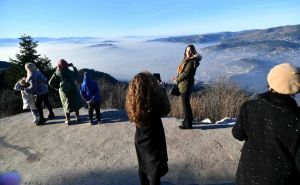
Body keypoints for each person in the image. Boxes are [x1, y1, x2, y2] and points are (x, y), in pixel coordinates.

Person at [232, 63, 300, 185]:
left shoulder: (249, 106)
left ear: (270, 81)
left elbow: (238, 134)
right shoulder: (297, 119)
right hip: (281, 179)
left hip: (246, 175)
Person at [126, 72, 170, 185]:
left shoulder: (135, 104)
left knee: (142, 164)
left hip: (140, 138)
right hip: (154, 139)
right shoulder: (153, 104)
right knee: (155, 169)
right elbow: (166, 109)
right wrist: (162, 89)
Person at [174, 44, 202, 129]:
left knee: (185, 105)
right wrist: (178, 77)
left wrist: (177, 79)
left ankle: (187, 124)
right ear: (185, 51)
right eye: (187, 50)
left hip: (185, 85)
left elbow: (186, 73)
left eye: (190, 51)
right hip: (185, 84)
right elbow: (183, 71)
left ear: (193, 51)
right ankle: (189, 120)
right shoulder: (187, 59)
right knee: (187, 104)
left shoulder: (191, 61)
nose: (188, 52)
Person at [49, 59, 82, 124]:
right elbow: (76, 75)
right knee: (75, 104)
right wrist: (73, 67)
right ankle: (77, 118)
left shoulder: (57, 72)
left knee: (66, 105)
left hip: (63, 91)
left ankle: (68, 120)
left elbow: (50, 82)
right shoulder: (69, 72)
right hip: (73, 89)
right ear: (66, 64)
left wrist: (57, 87)